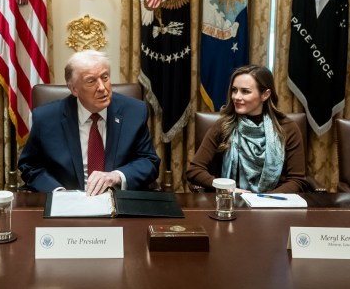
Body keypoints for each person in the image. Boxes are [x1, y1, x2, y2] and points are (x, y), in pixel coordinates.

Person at [18, 50, 160, 195]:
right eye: (91, 81)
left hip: (118, 200)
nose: (102, 88)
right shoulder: (46, 118)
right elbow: (30, 166)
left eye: (105, 77)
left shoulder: (134, 111)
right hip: (67, 204)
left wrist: (116, 176)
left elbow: (149, 162)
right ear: (74, 89)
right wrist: (58, 192)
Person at [186, 65, 312, 193]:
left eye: (245, 91)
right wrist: (228, 189)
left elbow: (297, 180)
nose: (236, 97)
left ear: (265, 95)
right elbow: (194, 170)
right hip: (231, 202)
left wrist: (264, 200)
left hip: (274, 204)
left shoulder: (287, 128)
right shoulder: (223, 126)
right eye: (234, 90)